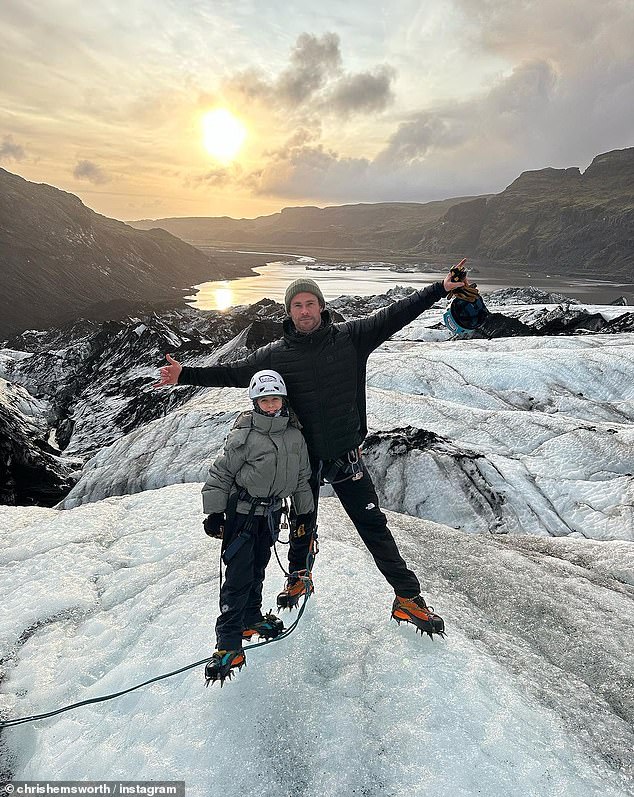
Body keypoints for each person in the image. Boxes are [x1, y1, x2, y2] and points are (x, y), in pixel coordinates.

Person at [156, 264, 473, 640]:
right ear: (289, 312)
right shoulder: (275, 354)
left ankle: (406, 596)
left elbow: (396, 313)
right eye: (297, 306)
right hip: (303, 458)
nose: (304, 311)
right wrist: (185, 375)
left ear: (321, 306)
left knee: (372, 526)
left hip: (345, 455)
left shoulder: (351, 338)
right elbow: (235, 373)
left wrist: (440, 288)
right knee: (303, 518)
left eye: (310, 304)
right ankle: (298, 576)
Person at [201, 369, 314, 685]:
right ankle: (227, 643)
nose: (270, 405)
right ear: (255, 401)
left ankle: (250, 619)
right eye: (264, 400)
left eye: (274, 399)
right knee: (238, 576)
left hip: (272, 514)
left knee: (258, 569)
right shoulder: (245, 436)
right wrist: (215, 513)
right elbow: (221, 474)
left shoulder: (294, 436)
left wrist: (305, 514)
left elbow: (302, 479)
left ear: (283, 400)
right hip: (243, 515)